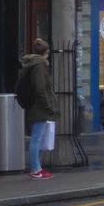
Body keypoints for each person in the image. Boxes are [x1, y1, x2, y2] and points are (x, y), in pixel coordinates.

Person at [22, 39, 58, 180]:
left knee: (36, 137)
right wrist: (48, 106)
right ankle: (36, 169)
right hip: (39, 107)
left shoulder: (34, 64)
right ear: (46, 53)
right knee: (36, 138)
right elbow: (40, 88)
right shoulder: (40, 65)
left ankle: (37, 167)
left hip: (35, 105)